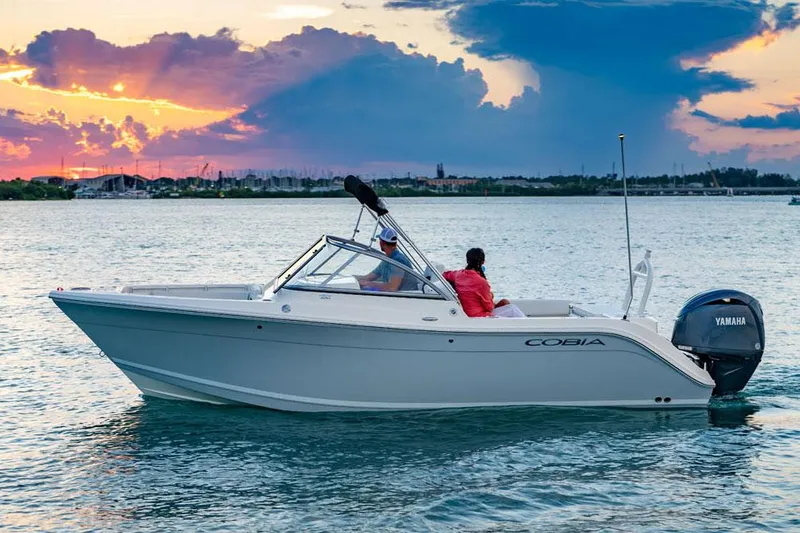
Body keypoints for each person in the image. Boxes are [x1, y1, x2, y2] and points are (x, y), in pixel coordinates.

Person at [443, 248, 526, 318]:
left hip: (467, 313)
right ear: (483, 262)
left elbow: (444, 274)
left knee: (505, 302)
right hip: (480, 317)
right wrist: (490, 295)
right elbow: (489, 307)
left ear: (467, 261)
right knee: (512, 309)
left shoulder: (458, 274)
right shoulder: (481, 282)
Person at [356, 228, 419, 292]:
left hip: (407, 298)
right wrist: (355, 281)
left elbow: (392, 288)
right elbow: (370, 277)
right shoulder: (387, 259)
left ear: (382, 243)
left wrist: (368, 284)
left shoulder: (398, 260)